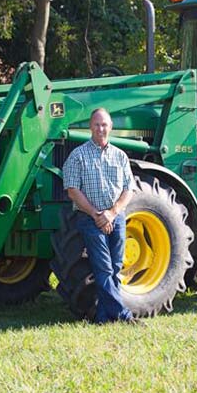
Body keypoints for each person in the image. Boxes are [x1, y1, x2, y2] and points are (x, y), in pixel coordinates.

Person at [62, 108, 136, 324]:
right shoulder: (78, 155)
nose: (101, 129)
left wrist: (112, 214)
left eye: (104, 125)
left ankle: (104, 317)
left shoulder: (120, 156)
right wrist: (97, 215)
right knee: (103, 267)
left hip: (116, 217)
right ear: (90, 127)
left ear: (111, 127)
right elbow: (72, 190)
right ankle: (124, 315)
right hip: (89, 218)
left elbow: (128, 189)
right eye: (97, 124)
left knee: (114, 268)